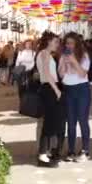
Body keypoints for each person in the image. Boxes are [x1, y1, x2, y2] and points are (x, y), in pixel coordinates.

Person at [58, 32, 91, 162]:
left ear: (77, 44)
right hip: (68, 90)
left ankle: (85, 150)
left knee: (82, 120)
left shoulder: (84, 56)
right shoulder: (63, 56)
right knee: (70, 122)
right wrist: (65, 64)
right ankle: (71, 150)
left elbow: (83, 74)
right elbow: (61, 75)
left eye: (71, 43)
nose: (69, 46)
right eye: (67, 43)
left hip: (82, 89)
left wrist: (73, 61)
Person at [36, 31, 64, 166]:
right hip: (49, 88)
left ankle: (45, 152)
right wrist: (57, 89)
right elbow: (47, 74)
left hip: (48, 88)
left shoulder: (44, 54)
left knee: (50, 122)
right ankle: (42, 154)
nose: (57, 44)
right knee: (49, 123)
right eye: (55, 41)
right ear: (48, 42)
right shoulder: (45, 54)